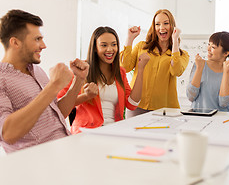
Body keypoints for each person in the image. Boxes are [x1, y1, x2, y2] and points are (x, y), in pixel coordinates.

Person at [0, 9, 89, 153]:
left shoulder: (37, 71)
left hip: (64, 150)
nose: (43, 45)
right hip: (36, 164)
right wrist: (54, 86)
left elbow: (57, 113)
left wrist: (79, 79)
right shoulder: (1, 79)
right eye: (37, 39)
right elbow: (7, 134)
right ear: (15, 42)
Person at [58, 27, 150, 134]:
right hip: (87, 132)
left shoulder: (120, 72)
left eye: (114, 44)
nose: (110, 49)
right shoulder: (81, 69)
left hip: (114, 130)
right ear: (95, 48)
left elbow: (132, 104)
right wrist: (86, 96)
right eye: (104, 45)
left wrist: (141, 69)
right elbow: (60, 107)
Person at [120, 9, 189, 117]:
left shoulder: (182, 55)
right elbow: (125, 67)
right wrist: (129, 39)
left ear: (172, 26)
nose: (162, 27)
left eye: (166, 23)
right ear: (154, 27)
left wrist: (175, 40)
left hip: (165, 110)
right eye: (157, 24)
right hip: (137, 106)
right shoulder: (141, 47)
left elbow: (176, 71)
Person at [186, 32, 229, 112]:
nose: (208, 49)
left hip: (220, 121)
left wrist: (226, 73)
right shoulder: (199, 65)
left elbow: (223, 102)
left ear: (226, 53)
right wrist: (199, 69)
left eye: (213, 47)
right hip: (197, 118)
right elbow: (190, 96)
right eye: (208, 44)